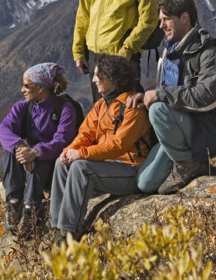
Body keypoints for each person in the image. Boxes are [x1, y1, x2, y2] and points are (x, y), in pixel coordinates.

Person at [131, 0, 216, 195]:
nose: (161, 26)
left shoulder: (210, 52)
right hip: (179, 128)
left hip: (205, 128)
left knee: (159, 109)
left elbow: (207, 97)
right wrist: (147, 97)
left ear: (184, 17)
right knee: (145, 183)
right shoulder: (170, 52)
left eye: (166, 19)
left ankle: (190, 164)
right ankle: (192, 165)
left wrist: (160, 95)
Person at [50, 54, 153, 240]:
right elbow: (86, 134)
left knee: (81, 167)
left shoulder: (132, 107)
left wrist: (80, 154)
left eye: (98, 75)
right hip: (108, 168)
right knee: (61, 163)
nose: (94, 79)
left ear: (112, 79)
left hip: (130, 171)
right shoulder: (101, 105)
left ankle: (69, 232)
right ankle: (57, 226)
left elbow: (118, 145)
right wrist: (69, 152)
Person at [0, 62, 78, 236]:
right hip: (29, 160)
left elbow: (63, 140)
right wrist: (21, 147)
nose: (22, 90)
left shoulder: (65, 108)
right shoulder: (23, 107)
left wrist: (35, 153)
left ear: (41, 88)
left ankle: (31, 209)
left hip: (50, 166)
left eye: (27, 86)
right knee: (12, 150)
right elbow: (4, 129)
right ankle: (15, 201)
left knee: (40, 159)